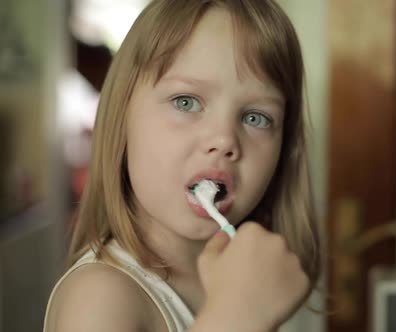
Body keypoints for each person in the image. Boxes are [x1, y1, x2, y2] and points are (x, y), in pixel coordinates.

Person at [43, 0, 322, 331]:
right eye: (186, 102)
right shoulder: (100, 297)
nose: (224, 139)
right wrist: (236, 316)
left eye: (255, 117)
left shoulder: (243, 280)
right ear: (122, 120)